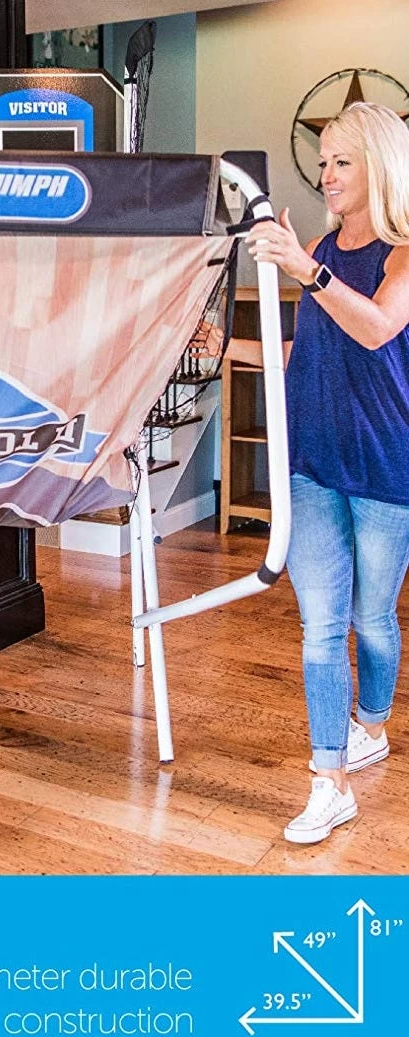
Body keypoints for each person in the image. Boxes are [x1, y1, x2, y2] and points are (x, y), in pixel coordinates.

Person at [244, 102, 409, 844]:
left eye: (342, 161)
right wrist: (224, 348)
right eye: (324, 162)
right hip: (311, 463)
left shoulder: (402, 254)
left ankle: (371, 723)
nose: (327, 175)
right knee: (321, 627)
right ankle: (329, 780)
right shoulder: (319, 247)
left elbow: (374, 327)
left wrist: (305, 271)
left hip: (386, 467)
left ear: (379, 165)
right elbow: (305, 351)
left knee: (372, 619)